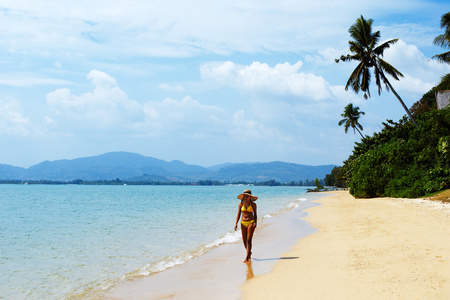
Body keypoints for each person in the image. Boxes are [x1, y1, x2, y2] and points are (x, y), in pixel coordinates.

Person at [234, 189, 258, 263]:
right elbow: (238, 214)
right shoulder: (241, 204)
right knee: (244, 241)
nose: (245, 197)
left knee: (248, 240)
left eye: (246, 196)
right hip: (243, 223)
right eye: (244, 196)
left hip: (251, 222)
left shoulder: (253, 205)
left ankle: (247, 257)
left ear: (250, 196)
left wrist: (255, 222)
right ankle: (249, 252)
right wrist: (236, 223)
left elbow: (255, 215)